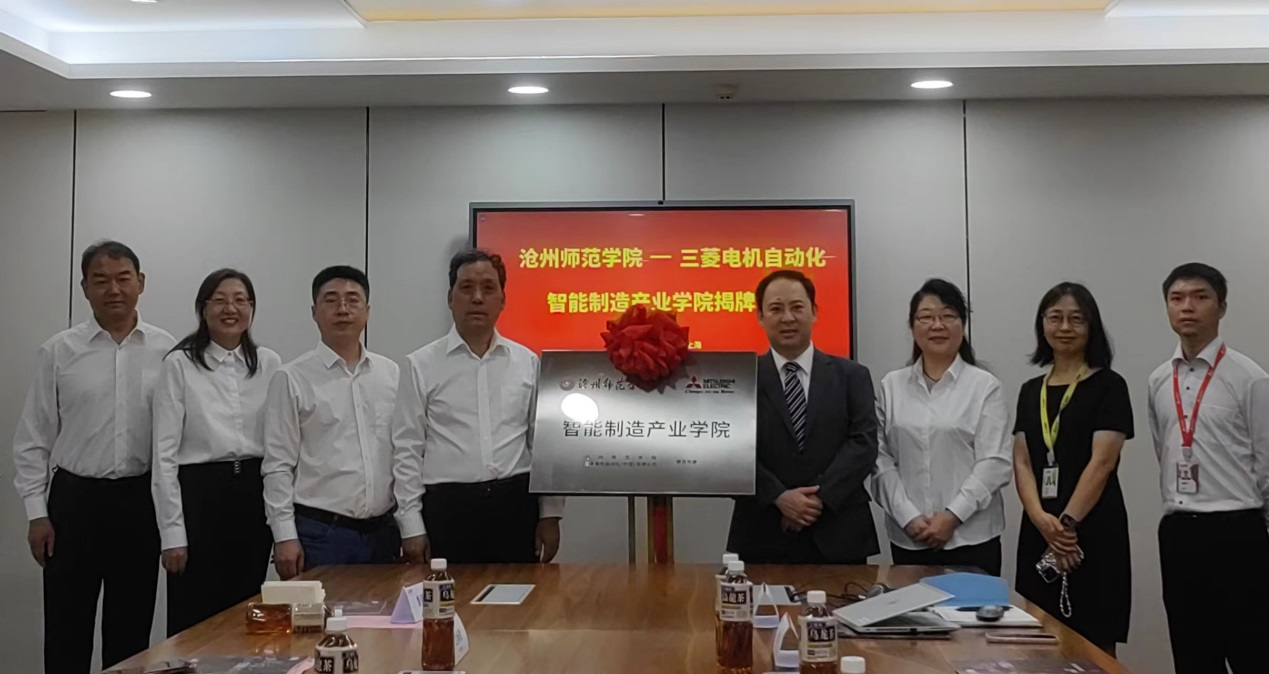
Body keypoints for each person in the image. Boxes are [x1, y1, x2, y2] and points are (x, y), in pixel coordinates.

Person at [12, 241, 176, 674]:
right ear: (84, 287)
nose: (113, 289)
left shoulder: (168, 351)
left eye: (123, 278)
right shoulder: (58, 351)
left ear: (141, 283)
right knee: (66, 629)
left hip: (139, 502)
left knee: (130, 632)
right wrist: (36, 514)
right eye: (100, 280)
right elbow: (32, 439)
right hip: (74, 503)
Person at [393, 249, 564, 564]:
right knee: (448, 596)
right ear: (450, 298)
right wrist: (410, 525)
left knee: (519, 595)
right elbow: (407, 450)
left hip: (515, 505)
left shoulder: (527, 363)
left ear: (503, 299)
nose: (477, 298)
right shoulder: (420, 365)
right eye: (466, 287)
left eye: (488, 288)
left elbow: (543, 445)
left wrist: (550, 514)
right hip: (447, 509)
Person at [1148, 263, 1269, 674]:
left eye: (1200, 297)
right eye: (1177, 298)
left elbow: (1266, 462)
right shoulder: (1158, 380)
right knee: (1193, 656)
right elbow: (1163, 449)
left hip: (1238, 531)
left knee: (1252, 653)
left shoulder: (1249, 377)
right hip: (1179, 532)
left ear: (1221, 308)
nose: (1187, 307)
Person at [151, 269, 282, 636]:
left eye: (241, 300)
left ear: (252, 308)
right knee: (193, 618)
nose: (231, 308)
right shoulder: (179, 364)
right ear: (202, 308)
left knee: (247, 615)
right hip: (199, 497)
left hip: (252, 495)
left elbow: (280, 447)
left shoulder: (269, 364)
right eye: (220, 300)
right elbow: (163, 455)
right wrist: (172, 533)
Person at [726, 269, 879, 564]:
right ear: (760, 317)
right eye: (776, 309)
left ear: (814, 312)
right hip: (764, 531)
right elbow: (731, 450)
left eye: (797, 307)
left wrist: (816, 500)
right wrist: (780, 497)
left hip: (840, 532)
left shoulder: (852, 376)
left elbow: (863, 444)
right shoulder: (742, 379)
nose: (787, 318)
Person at [1013, 282, 1132, 654]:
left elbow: (1103, 461)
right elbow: (1022, 460)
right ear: (1042, 324)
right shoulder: (1030, 390)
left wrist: (1065, 526)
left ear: (1091, 326)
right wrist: (1040, 518)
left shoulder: (1109, 385)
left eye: (1076, 319)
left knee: (1095, 646)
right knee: (1038, 641)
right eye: (1055, 318)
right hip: (1040, 529)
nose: (1064, 327)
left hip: (1092, 528)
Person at [262, 266, 400, 579]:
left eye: (353, 300)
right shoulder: (291, 377)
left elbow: (402, 455)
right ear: (314, 312)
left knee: (388, 613)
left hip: (383, 533)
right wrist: (284, 536)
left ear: (367, 311)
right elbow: (278, 465)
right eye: (331, 300)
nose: (343, 309)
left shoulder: (390, 374)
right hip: (321, 535)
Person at [871, 279, 1011, 576]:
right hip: (910, 537)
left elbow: (994, 463)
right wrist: (908, 516)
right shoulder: (891, 386)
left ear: (963, 324)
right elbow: (880, 460)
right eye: (926, 317)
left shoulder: (984, 386)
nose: (937, 325)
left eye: (948, 316)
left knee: (974, 608)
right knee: (911, 607)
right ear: (912, 326)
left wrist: (952, 516)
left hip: (972, 537)